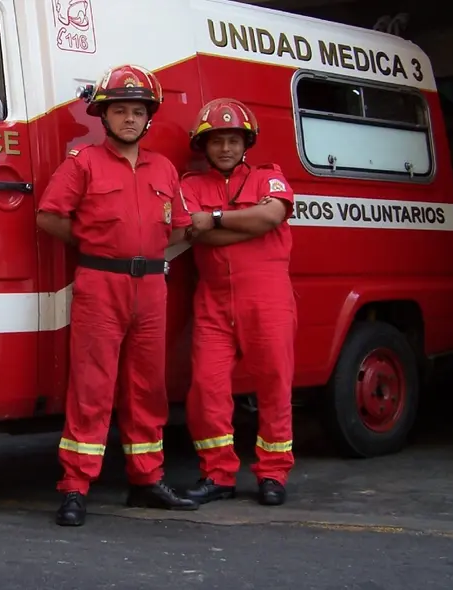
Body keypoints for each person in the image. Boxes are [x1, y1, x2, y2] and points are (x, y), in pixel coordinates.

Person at [36, 64, 199, 527]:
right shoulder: (82, 163)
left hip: (151, 286)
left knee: (148, 387)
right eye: (120, 110)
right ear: (103, 117)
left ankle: (146, 480)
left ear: (149, 118)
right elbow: (49, 217)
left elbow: (182, 227)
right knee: (92, 386)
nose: (130, 118)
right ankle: (74, 486)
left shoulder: (164, 168)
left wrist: (150, 256)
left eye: (138, 111)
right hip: (99, 282)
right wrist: (95, 242)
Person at [180, 97, 297, 507]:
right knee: (205, 389)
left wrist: (212, 219)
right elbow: (195, 236)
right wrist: (245, 224)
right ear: (204, 146)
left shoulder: (270, 177)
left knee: (275, 385)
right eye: (216, 141)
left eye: (233, 140)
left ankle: (273, 473)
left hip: (268, 300)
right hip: (212, 302)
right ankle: (218, 474)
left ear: (246, 142)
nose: (225, 148)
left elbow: (270, 218)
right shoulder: (189, 186)